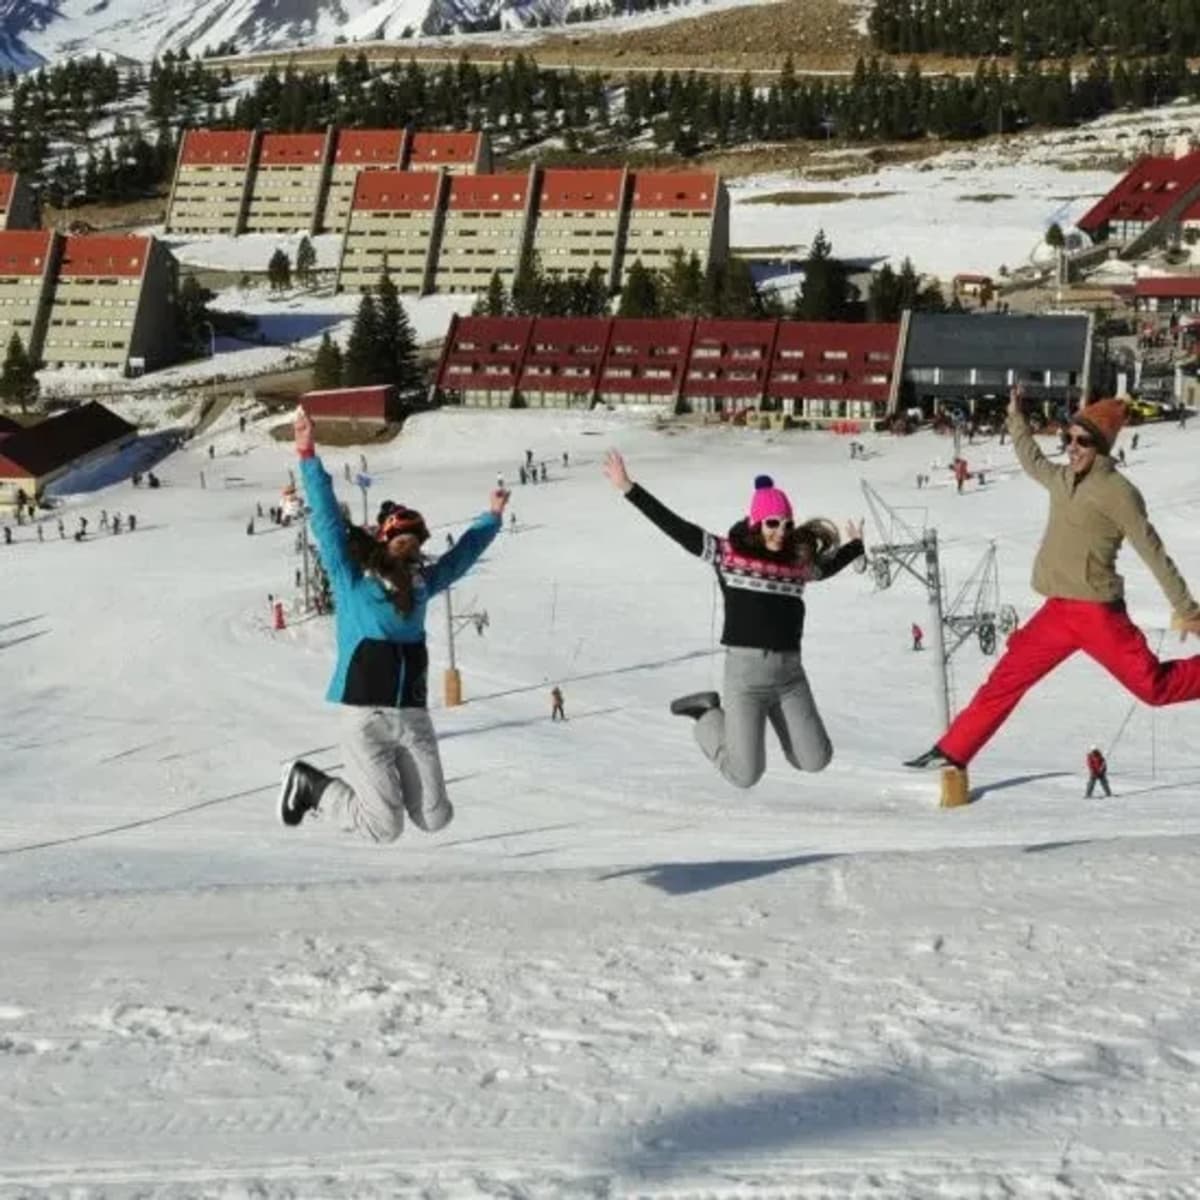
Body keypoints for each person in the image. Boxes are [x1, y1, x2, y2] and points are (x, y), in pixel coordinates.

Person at [906, 388, 1200, 773]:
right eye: (1068, 438)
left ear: (1101, 446)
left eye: (1082, 441)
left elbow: (1154, 552)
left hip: (1098, 613)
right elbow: (1032, 460)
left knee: (1153, 688)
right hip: (1057, 611)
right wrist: (1016, 417)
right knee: (1006, 679)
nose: (1072, 447)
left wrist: (1187, 610)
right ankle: (953, 750)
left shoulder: (1119, 493)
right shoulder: (1062, 479)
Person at [279, 406, 508, 841]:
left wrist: (491, 518)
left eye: (414, 542)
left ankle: (375, 792)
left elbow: (459, 559)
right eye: (400, 540)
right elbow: (327, 521)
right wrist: (307, 453)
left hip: (412, 715)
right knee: (384, 827)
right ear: (384, 543)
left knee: (435, 817)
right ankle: (313, 787)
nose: (408, 547)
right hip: (365, 716)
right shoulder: (353, 581)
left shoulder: (420, 586)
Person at [603, 452, 864, 789]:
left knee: (816, 759)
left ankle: (768, 732)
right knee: (745, 774)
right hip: (745, 679)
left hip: (790, 677)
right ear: (757, 523)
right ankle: (705, 714)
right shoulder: (727, 554)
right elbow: (677, 528)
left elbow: (826, 568)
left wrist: (856, 546)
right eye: (772, 523)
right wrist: (629, 488)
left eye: (786, 524)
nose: (780, 532)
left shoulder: (797, 564)